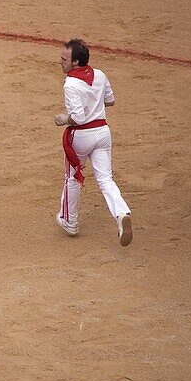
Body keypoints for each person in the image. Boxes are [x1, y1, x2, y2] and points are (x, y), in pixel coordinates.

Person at [55, 39, 132, 245]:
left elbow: (78, 118)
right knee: (106, 179)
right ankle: (122, 212)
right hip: (102, 133)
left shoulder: (70, 84)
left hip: (81, 136)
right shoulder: (99, 74)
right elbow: (110, 100)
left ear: (76, 62)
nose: (60, 62)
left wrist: (64, 119)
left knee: (72, 176)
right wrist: (94, 101)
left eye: (65, 59)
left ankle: (70, 221)